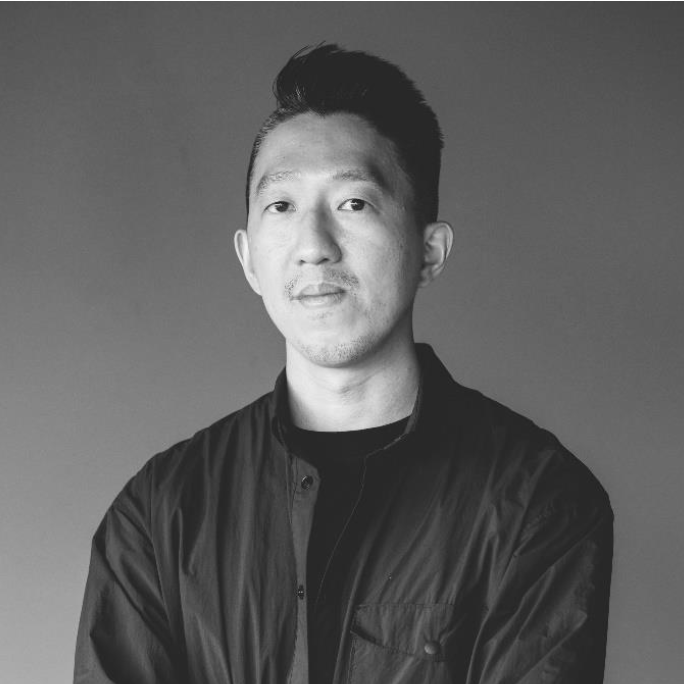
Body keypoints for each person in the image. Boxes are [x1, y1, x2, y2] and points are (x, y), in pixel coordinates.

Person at [74, 45, 613, 684]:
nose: (313, 246)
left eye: (354, 203)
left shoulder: (537, 502)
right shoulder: (159, 514)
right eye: (281, 206)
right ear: (248, 259)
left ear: (430, 251)